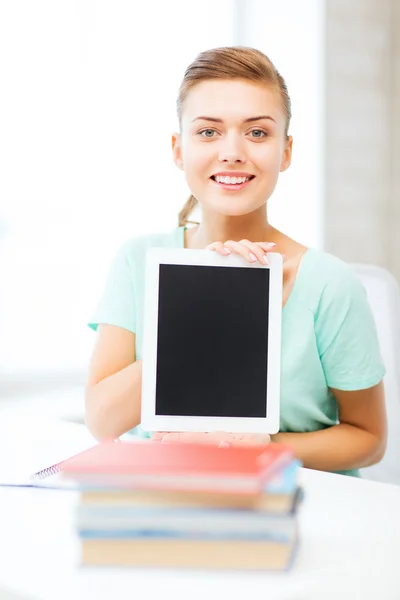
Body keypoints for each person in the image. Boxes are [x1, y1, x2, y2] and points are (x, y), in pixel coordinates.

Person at [85, 46, 387, 476]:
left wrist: (263, 448)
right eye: (208, 132)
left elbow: (369, 439)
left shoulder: (328, 284)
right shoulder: (138, 261)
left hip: (295, 506)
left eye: (258, 133)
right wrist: (198, 301)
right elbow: (104, 423)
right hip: (167, 498)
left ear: (285, 151)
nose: (232, 152)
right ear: (178, 149)